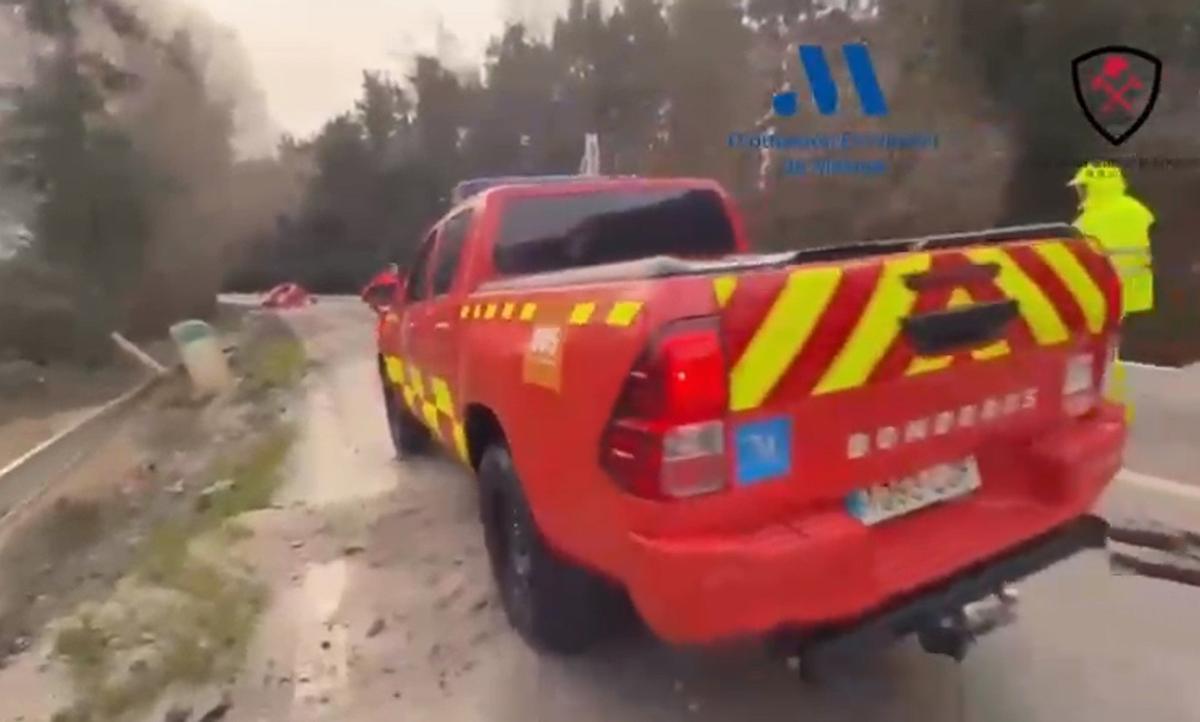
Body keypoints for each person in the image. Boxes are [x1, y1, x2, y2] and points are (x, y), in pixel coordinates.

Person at [1067, 162, 1156, 420]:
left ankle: (1104, 402)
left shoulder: (1088, 222)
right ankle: (1107, 398)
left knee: (1099, 352)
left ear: (1095, 187)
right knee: (1110, 349)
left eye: (1083, 188)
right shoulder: (1139, 210)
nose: (1080, 193)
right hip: (1133, 289)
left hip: (1103, 295)